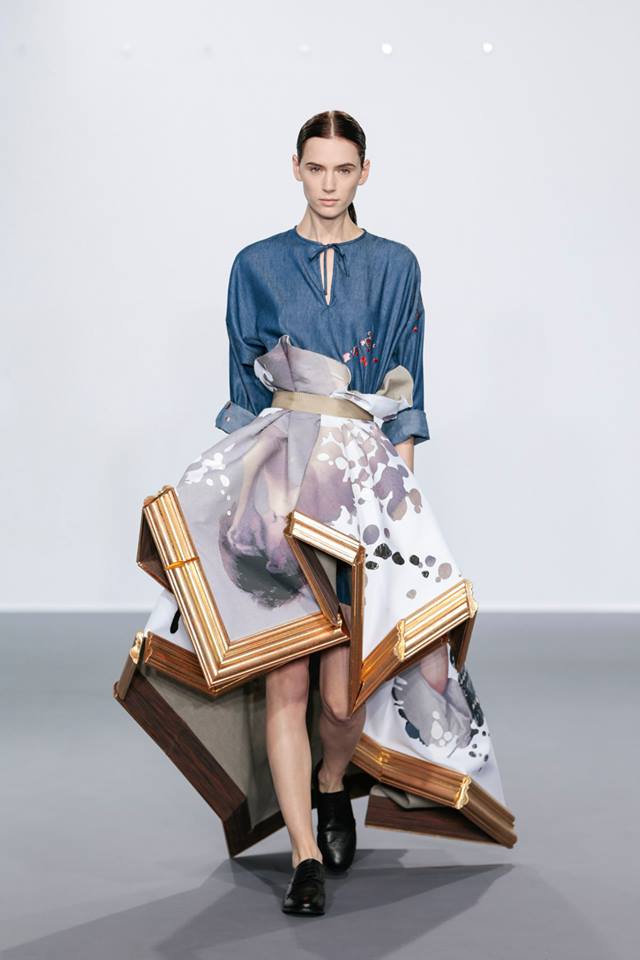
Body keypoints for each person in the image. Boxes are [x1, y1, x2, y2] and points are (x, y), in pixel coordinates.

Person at [212, 109, 450, 916]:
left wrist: (402, 510)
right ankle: (303, 857)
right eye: (316, 168)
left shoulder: (394, 265)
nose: (328, 183)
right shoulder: (254, 265)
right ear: (296, 167)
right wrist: (236, 502)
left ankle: (331, 781)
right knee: (286, 679)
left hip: (359, 487)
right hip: (279, 482)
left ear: (363, 173)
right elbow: (244, 396)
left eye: (343, 169)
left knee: (342, 699)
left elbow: (405, 386)